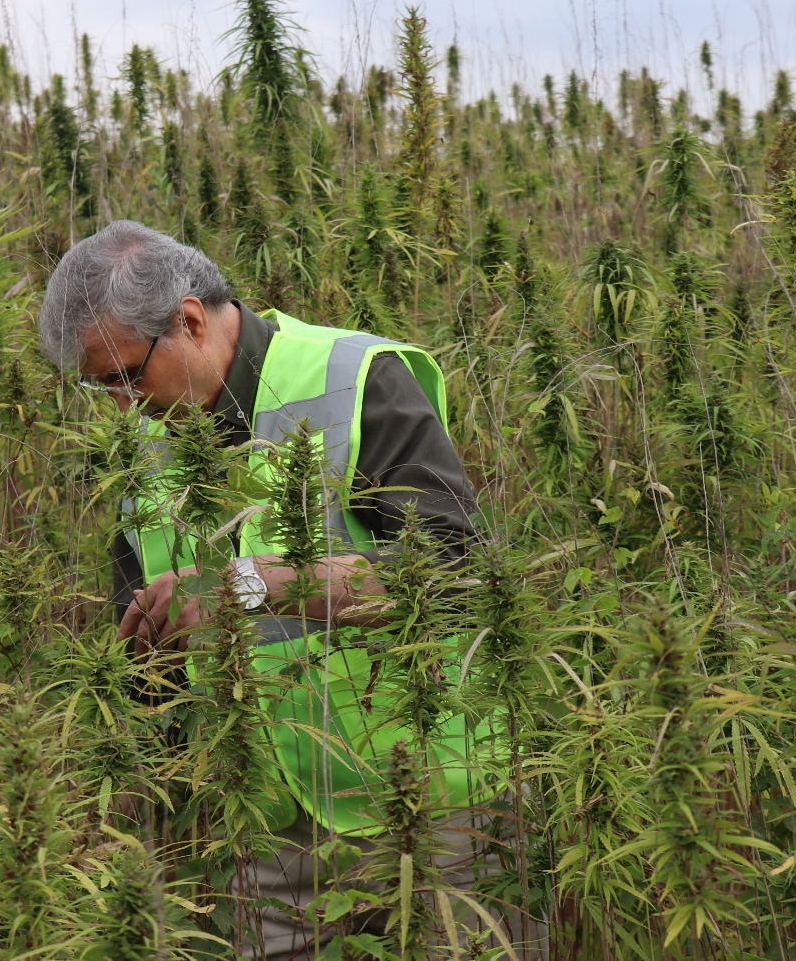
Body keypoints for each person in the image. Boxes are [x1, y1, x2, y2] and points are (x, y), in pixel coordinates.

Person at [39, 220, 511, 960]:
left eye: (128, 375)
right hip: (267, 830)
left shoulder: (353, 379)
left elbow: (456, 575)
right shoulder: (142, 445)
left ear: (189, 319)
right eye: (101, 388)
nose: (121, 406)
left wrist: (251, 585)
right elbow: (139, 653)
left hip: (432, 804)